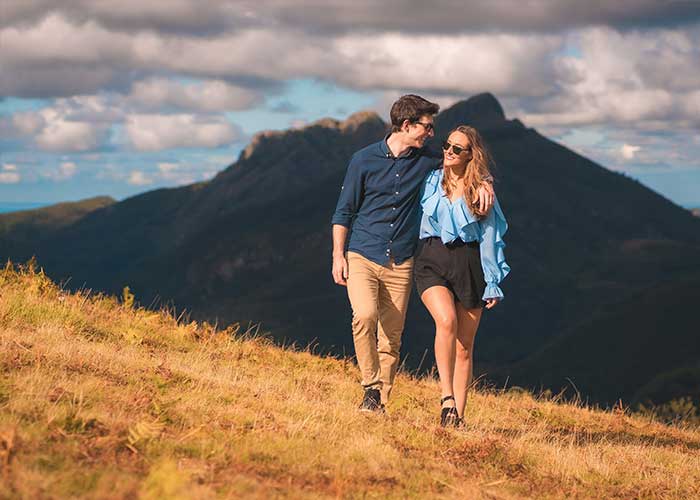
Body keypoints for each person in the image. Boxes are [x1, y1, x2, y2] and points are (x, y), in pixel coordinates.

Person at [331, 95, 495, 412]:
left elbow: (464, 162)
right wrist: (339, 255)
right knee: (364, 316)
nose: (432, 134)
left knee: (391, 336)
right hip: (362, 253)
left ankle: (381, 401)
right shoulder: (363, 160)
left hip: (402, 260)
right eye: (427, 127)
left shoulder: (427, 159)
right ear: (407, 125)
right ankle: (370, 387)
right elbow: (343, 212)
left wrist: (486, 181)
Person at [414, 125, 510, 426]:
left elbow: (491, 236)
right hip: (432, 258)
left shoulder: (480, 191)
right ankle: (446, 400)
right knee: (446, 322)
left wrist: (492, 281)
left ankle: (458, 417)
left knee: (465, 347)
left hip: (469, 264)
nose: (449, 152)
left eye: (457, 149)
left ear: (470, 155)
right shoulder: (430, 180)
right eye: (447, 145)